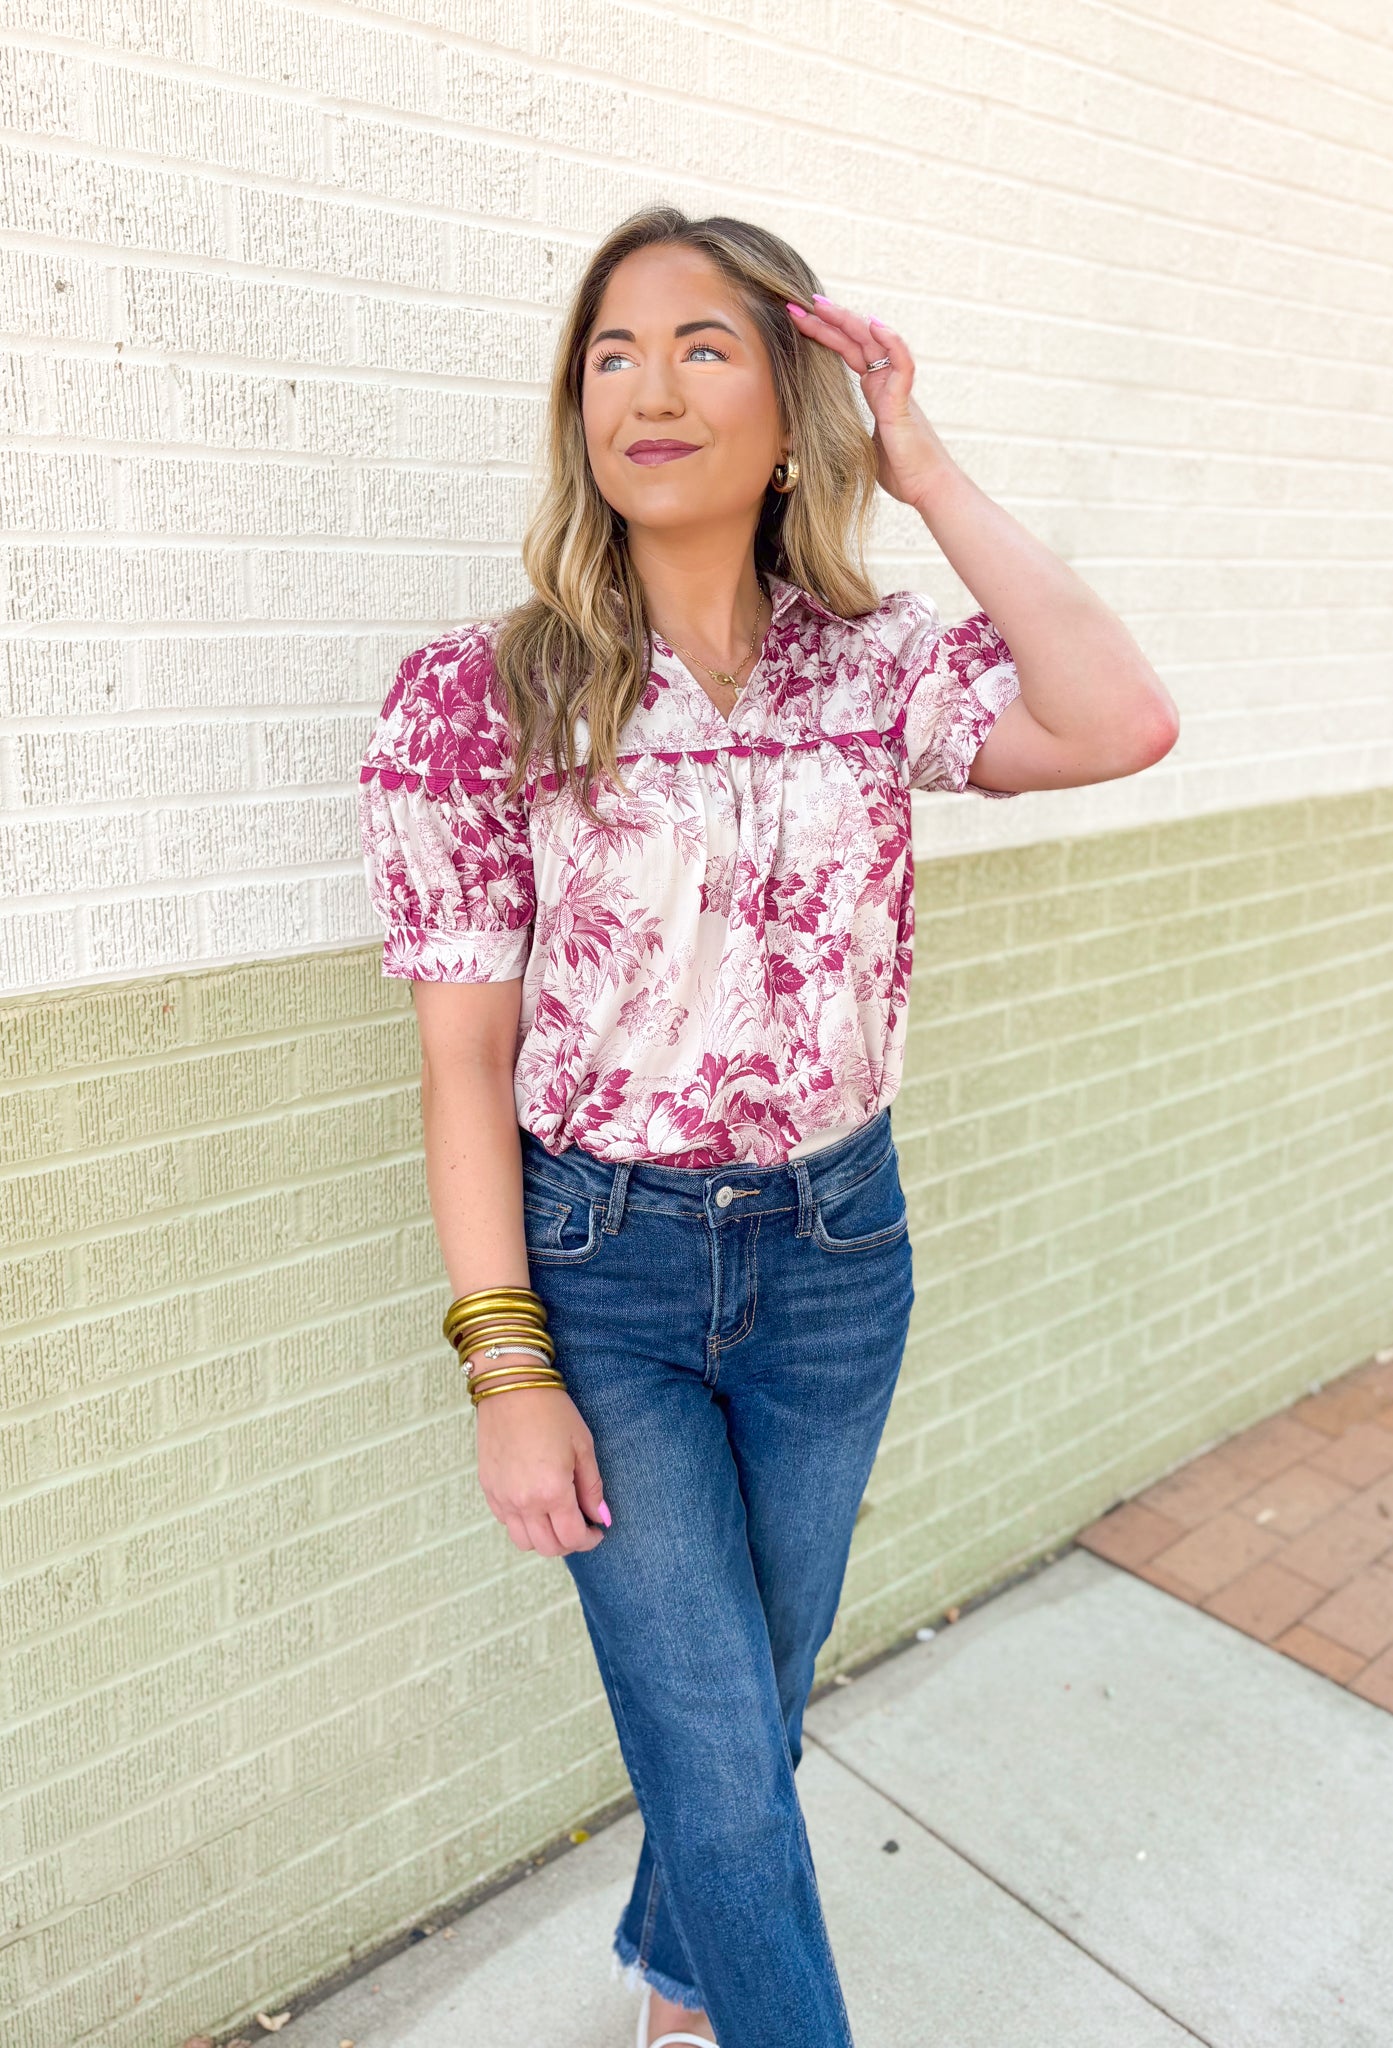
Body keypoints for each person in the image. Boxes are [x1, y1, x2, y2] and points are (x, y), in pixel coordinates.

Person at [358, 206, 1178, 2048]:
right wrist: (504, 1367)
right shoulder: (482, 700)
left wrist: (926, 459)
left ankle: (675, 1983)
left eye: (702, 347)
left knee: (758, 1680)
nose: (646, 389)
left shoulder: (872, 670)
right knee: (717, 1740)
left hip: (833, 1257)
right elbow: (460, 1067)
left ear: (790, 406)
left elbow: (1120, 718)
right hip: (605, 1270)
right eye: (609, 356)